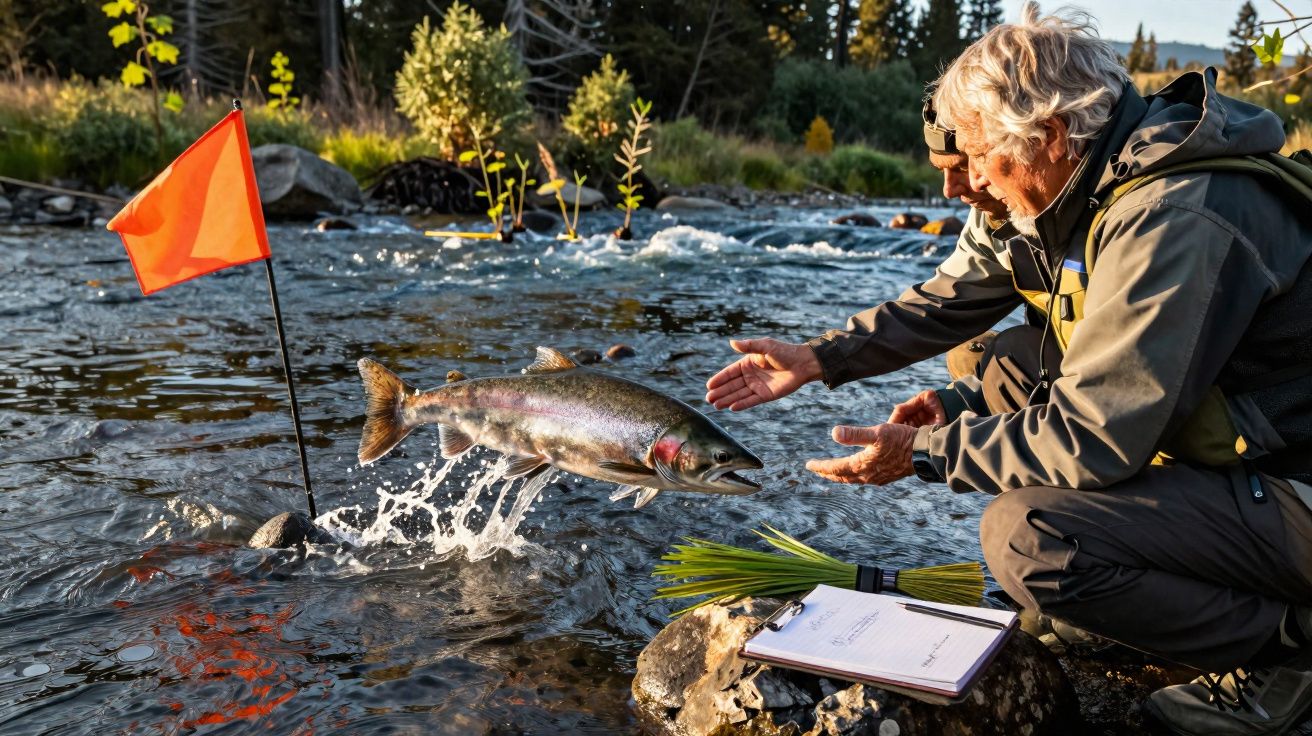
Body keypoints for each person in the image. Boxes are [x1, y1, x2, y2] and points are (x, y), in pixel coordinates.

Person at [709, 5, 1312, 733]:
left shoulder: (1172, 216)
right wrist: (825, 360)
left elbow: (1092, 436)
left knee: (1027, 540)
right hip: (1242, 455)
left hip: (1294, 483)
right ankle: (1148, 590)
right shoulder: (1075, 183)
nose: (959, 189)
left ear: (1050, 137)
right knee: (1000, 367)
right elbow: (951, 302)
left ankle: (1291, 651)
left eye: (974, 158)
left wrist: (927, 453)